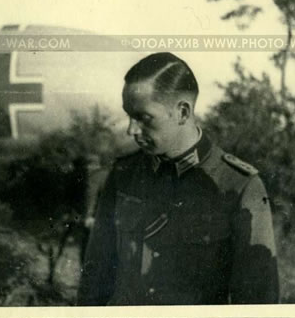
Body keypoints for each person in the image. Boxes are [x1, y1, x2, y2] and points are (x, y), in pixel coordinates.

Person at [77, 53, 279, 305]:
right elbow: (95, 278)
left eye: (143, 118)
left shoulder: (239, 185)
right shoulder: (124, 175)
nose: (131, 130)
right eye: (129, 116)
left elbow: (258, 301)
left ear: (182, 112)